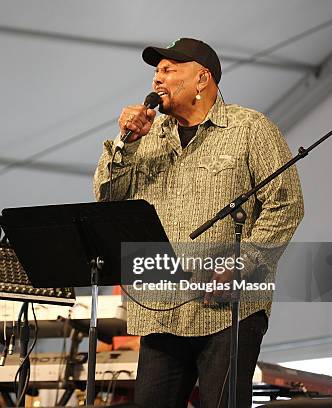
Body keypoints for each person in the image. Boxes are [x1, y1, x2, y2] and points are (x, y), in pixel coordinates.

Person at [93, 38, 304, 407]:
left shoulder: (250, 128)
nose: (158, 79)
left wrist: (243, 264)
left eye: (169, 70)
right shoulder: (147, 137)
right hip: (160, 308)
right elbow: (107, 200)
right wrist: (124, 142)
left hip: (227, 309)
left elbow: (286, 204)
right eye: (157, 71)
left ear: (202, 78)